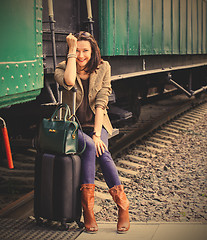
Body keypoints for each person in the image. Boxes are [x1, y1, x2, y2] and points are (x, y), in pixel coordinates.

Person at [54, 31, 130, 234]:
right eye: (76, 50)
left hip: (97, 124)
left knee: (100, 151)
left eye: (85, 50)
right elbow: (69, 82)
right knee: (90, 147)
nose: (80, 56)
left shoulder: (103, 67)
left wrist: (96, 134)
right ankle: (89, 211)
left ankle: (121, 207)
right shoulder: (63, 68)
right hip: (73, 127)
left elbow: (101, 102)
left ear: (93, 50)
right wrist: (70, 51)